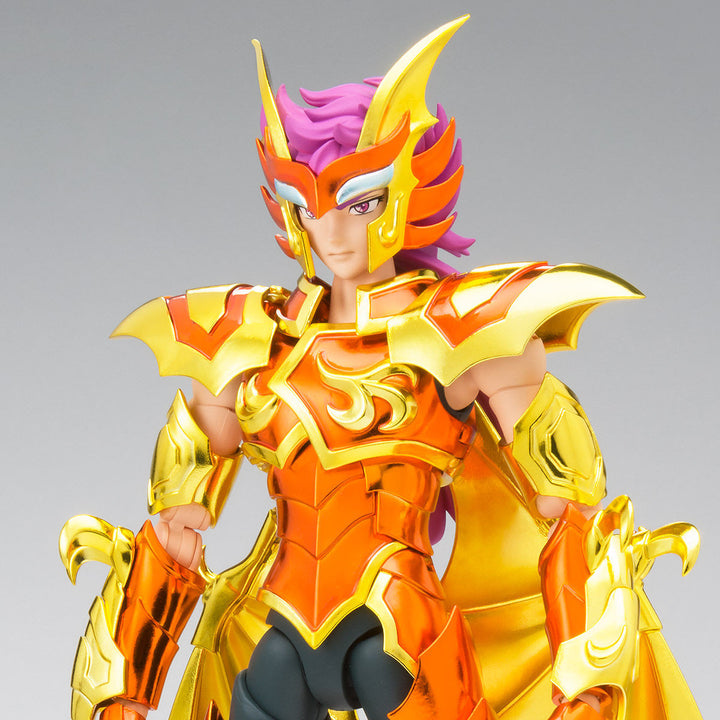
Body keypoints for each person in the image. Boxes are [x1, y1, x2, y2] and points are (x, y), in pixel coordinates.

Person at [60, 16, 702, 720]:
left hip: (406, 633)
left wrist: (588, 685)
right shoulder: (245, 339)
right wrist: (121, 693)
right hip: (282, 636)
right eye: (307, 203)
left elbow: (572, 513)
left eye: (358, 200)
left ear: (406, 192)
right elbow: (175, 528)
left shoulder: (463, 332)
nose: (331, 231)